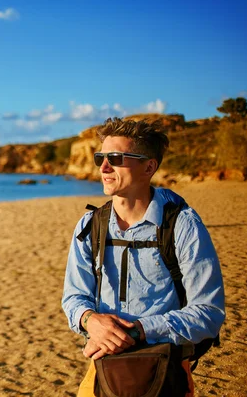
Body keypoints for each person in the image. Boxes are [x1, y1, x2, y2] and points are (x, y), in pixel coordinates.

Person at [61, 118, 225, 396]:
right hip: (103, 366)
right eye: (100, 157)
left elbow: (208, 313)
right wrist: (91, 320)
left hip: (163, 369)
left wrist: (137, 331)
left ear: (149, 166)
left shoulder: (183, 225)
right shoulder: (90, 225)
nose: (103, 167)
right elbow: (73, 298)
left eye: (116, 158)